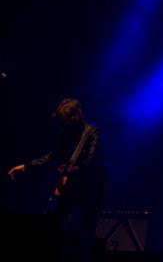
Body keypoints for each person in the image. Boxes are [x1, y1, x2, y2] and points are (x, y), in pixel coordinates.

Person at [7, 98, 106, 260]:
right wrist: (26, 166)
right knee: (55, 223)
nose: (62, 124)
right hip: (72, 185)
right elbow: (53, 155)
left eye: (65, 120)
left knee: (87, 230)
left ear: (76, 117)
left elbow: (92, 159)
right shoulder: (64, 133)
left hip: (92, 186)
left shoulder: (93, 133)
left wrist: (74, 169)